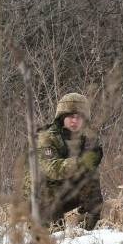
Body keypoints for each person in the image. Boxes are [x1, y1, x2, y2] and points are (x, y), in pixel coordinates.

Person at [36, 92, 104, 229]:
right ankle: (53, 227)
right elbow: (52, 170)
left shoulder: (87, 139)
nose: (74, 121)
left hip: (68, 193)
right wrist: (82, 161)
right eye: (70, 117)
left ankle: (87, 230)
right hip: (41, 198)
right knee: (53, 230)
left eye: (79, 117)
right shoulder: (46, 137)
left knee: (92, 179)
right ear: (61, 117)